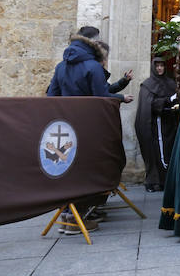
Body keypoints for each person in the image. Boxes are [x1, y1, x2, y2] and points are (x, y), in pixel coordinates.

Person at [46, 26, 131, 233]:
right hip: (89, 127)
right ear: (92, 43)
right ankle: (78, 218)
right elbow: (101, 99)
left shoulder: (60, 66)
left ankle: (68, 214)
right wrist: (121, 98)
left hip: (66, 128)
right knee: (90, 168)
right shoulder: (92, 67)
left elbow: (51, 98)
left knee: (70, 170)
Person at [135, 57, 179, 193]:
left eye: (162, 66)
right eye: (157, 66)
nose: (160, 68)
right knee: (155, 153)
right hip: (154, 126)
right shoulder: (147, 85)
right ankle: (154, 181)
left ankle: (166, 180)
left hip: (169, 124)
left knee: (167, 151)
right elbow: (149, 105)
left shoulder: (171, 83)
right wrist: (166, 100)